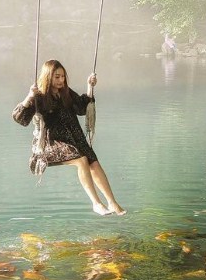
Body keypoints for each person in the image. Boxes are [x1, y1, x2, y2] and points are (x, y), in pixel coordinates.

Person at [13, 59, 126, 216]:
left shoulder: (65, 93)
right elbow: (20, 118)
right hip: (52, 142)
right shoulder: (39, 96)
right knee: (81, 160)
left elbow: (81, 108)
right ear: (48, 77)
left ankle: (112, 203)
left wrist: (90, 86)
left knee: (94, 163)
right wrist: (29, 96)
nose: (61, 80)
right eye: (57, 77)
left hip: (74, 138)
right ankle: (96, 203)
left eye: (63, 77)